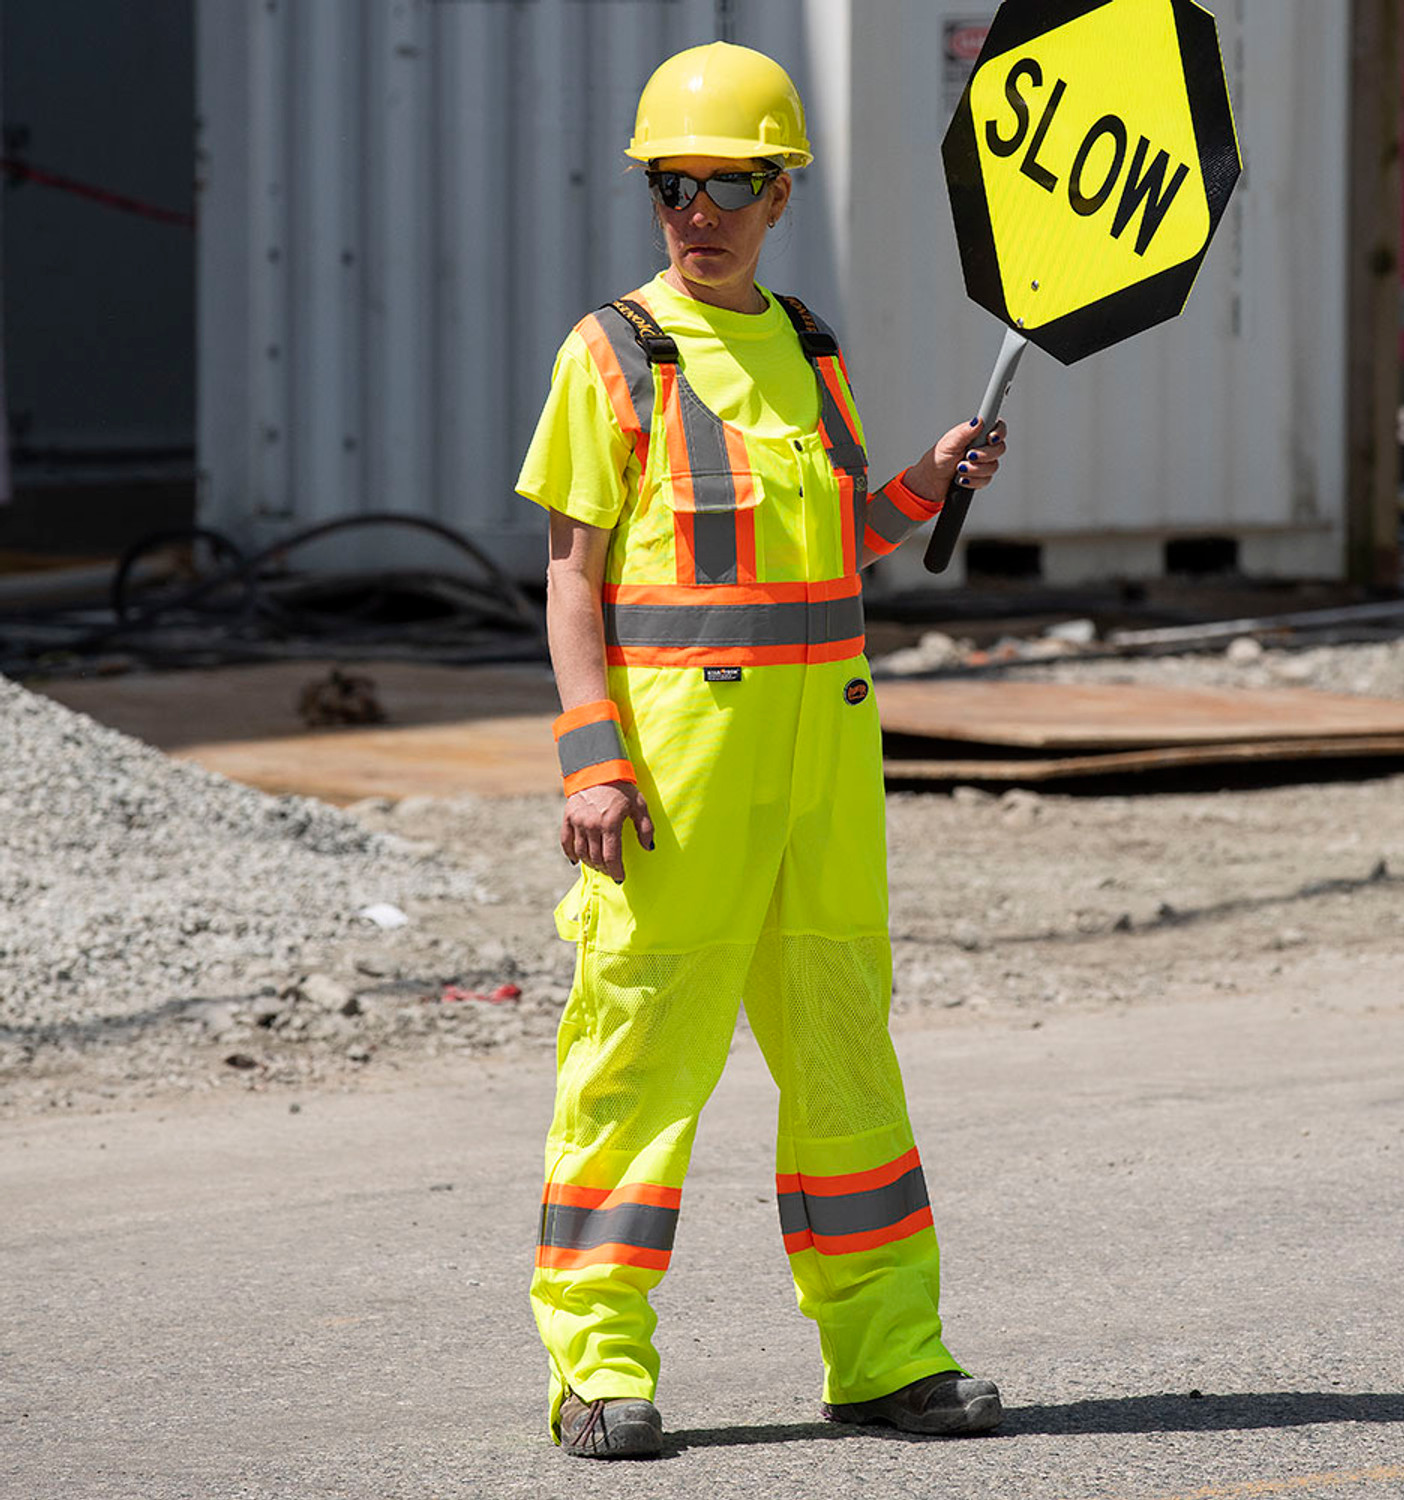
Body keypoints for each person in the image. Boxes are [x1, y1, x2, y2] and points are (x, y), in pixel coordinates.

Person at [515, 40, 1007, 1459]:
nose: (700, 209)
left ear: (782, 190)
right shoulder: (611, 353)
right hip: (678, 786)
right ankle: (596, 1371)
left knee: (851, 1067)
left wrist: (926, 478)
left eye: (732, 180)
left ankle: (889, 1356)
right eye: (675, 183)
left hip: (825, 787)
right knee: (636, 1069)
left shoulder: (811, 346)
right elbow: (570, 577)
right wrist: (588, 759)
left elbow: (837, 545)